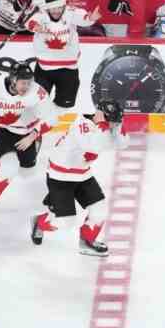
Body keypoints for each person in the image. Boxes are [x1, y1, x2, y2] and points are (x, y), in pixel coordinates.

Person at [31, 99, 129, 256]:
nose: (114, 126)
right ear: (101, 116)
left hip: (82, 174)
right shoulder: (81, 125)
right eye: (112, 122)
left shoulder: (105, 127)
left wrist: (116, 126)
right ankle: (40, 222)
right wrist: (104, 126)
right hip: (60, 176)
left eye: (116, 122)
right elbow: (95, 145)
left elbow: (123, 144)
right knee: (65, 222)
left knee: (99, 211)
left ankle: (87, 242)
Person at [0, 62, 55, 215]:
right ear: (13, 79)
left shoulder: (38, 92)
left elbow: (51, 118)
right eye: (23, 83)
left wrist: (33, 136)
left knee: (27, 172)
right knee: (9, 167)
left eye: (29, 82)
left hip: (25, 134)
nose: (27, 86)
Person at [25, 0, 101, 112]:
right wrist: (36, 27)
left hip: (68, 69)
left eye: (59, 7)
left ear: (63, 5)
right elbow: (29, 22)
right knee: (37, 105)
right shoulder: (41, 13)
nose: (56, 11)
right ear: (47, 8)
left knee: (64, 106)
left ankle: (57, 128)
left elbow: (84, 18)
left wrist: (91, 18)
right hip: (44, 69)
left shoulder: (70, 12)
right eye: (53, 8)